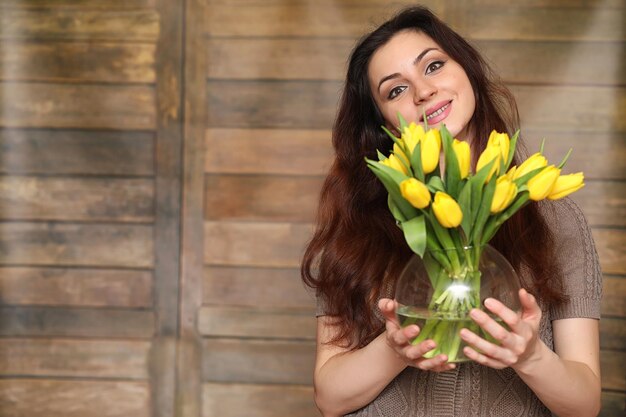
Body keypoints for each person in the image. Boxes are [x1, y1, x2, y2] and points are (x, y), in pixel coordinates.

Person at [301, 6, 602, 417]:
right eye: (395, 90)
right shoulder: (356, 226)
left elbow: (585, 404)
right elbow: (330, 398)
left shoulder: (553, 218)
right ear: (386, 125)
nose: (422, 92)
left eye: (434, 66)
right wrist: (396, 347)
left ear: (468, 71)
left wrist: (531, 356)